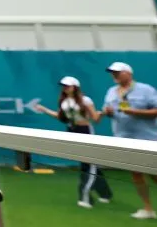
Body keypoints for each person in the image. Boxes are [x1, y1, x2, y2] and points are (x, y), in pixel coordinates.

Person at [101, 61, 157, 219]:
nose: (114, 75)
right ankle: (148, 209)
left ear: (128, 73)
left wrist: (136, 112)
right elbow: (108, 110)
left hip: (147, 138)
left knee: (154, 172)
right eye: (112, 72)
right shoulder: (111, 92)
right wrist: (108, 112)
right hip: (123, 137)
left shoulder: (146, 90)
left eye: (117, 72)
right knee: (136, 173)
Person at [34, 76, 113, 208]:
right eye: (63, 86)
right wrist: (44, 110)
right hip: (72, 131)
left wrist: (103, 113)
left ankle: (84, 197)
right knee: (88, 163)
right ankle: (105, 193)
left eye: (67, 86)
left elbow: (95, 119)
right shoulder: (64, 101)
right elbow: (61, 117)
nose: (65, 88)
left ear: (75, 87)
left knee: (88, 165)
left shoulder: (86, 100)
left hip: (85, 131)